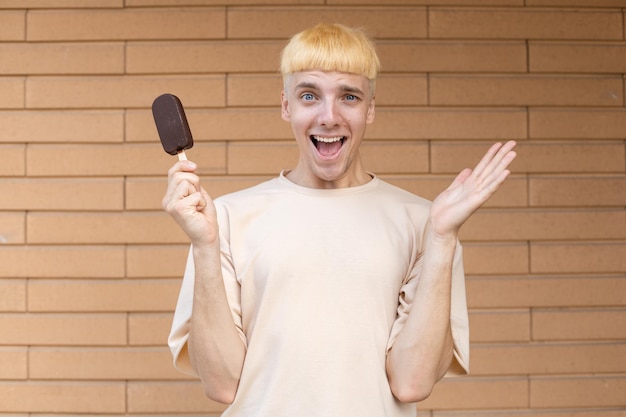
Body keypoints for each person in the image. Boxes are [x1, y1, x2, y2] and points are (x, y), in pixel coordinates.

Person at [164, 23, 517, 417]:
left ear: (370, 109)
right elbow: (221, 383)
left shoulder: (425, 223)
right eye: (309, 95)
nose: (328, 116)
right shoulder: (223, 220)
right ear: (286, 106)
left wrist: (442, 237)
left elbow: (412, 382)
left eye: (348, 96)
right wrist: (204, 247)